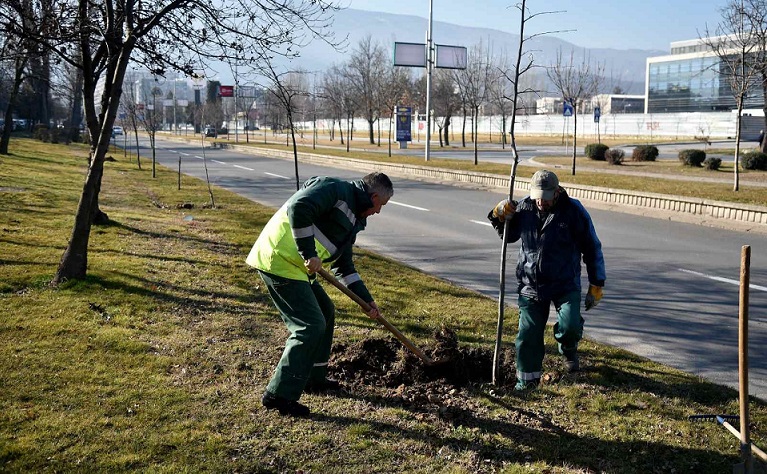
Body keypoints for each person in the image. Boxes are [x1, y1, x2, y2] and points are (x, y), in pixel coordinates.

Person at [246, 172, 394, 416]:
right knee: (310, 325)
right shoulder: (336, 190)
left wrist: (366, 301)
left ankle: (315, 376)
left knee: (326, 311)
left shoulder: (353, 218)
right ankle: (279, 394)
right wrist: (307, 253)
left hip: (298, 268)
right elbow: (299, 206)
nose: (379, 212)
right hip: (279, 259)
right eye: (382, 206)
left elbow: (343, 266)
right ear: (374, 196)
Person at [488, 169, 605, 391]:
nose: (541, 202)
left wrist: (596, 282)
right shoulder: (524, 207)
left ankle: (568, 347)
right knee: (528, 337)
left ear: (557, 192)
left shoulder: (574, 211)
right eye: (537, 196)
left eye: (546, 197)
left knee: (570, 326)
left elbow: (592, 247)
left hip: (565, 282)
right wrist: (498, 215)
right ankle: (527, 382)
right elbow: (508, 235)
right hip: (531, 285)